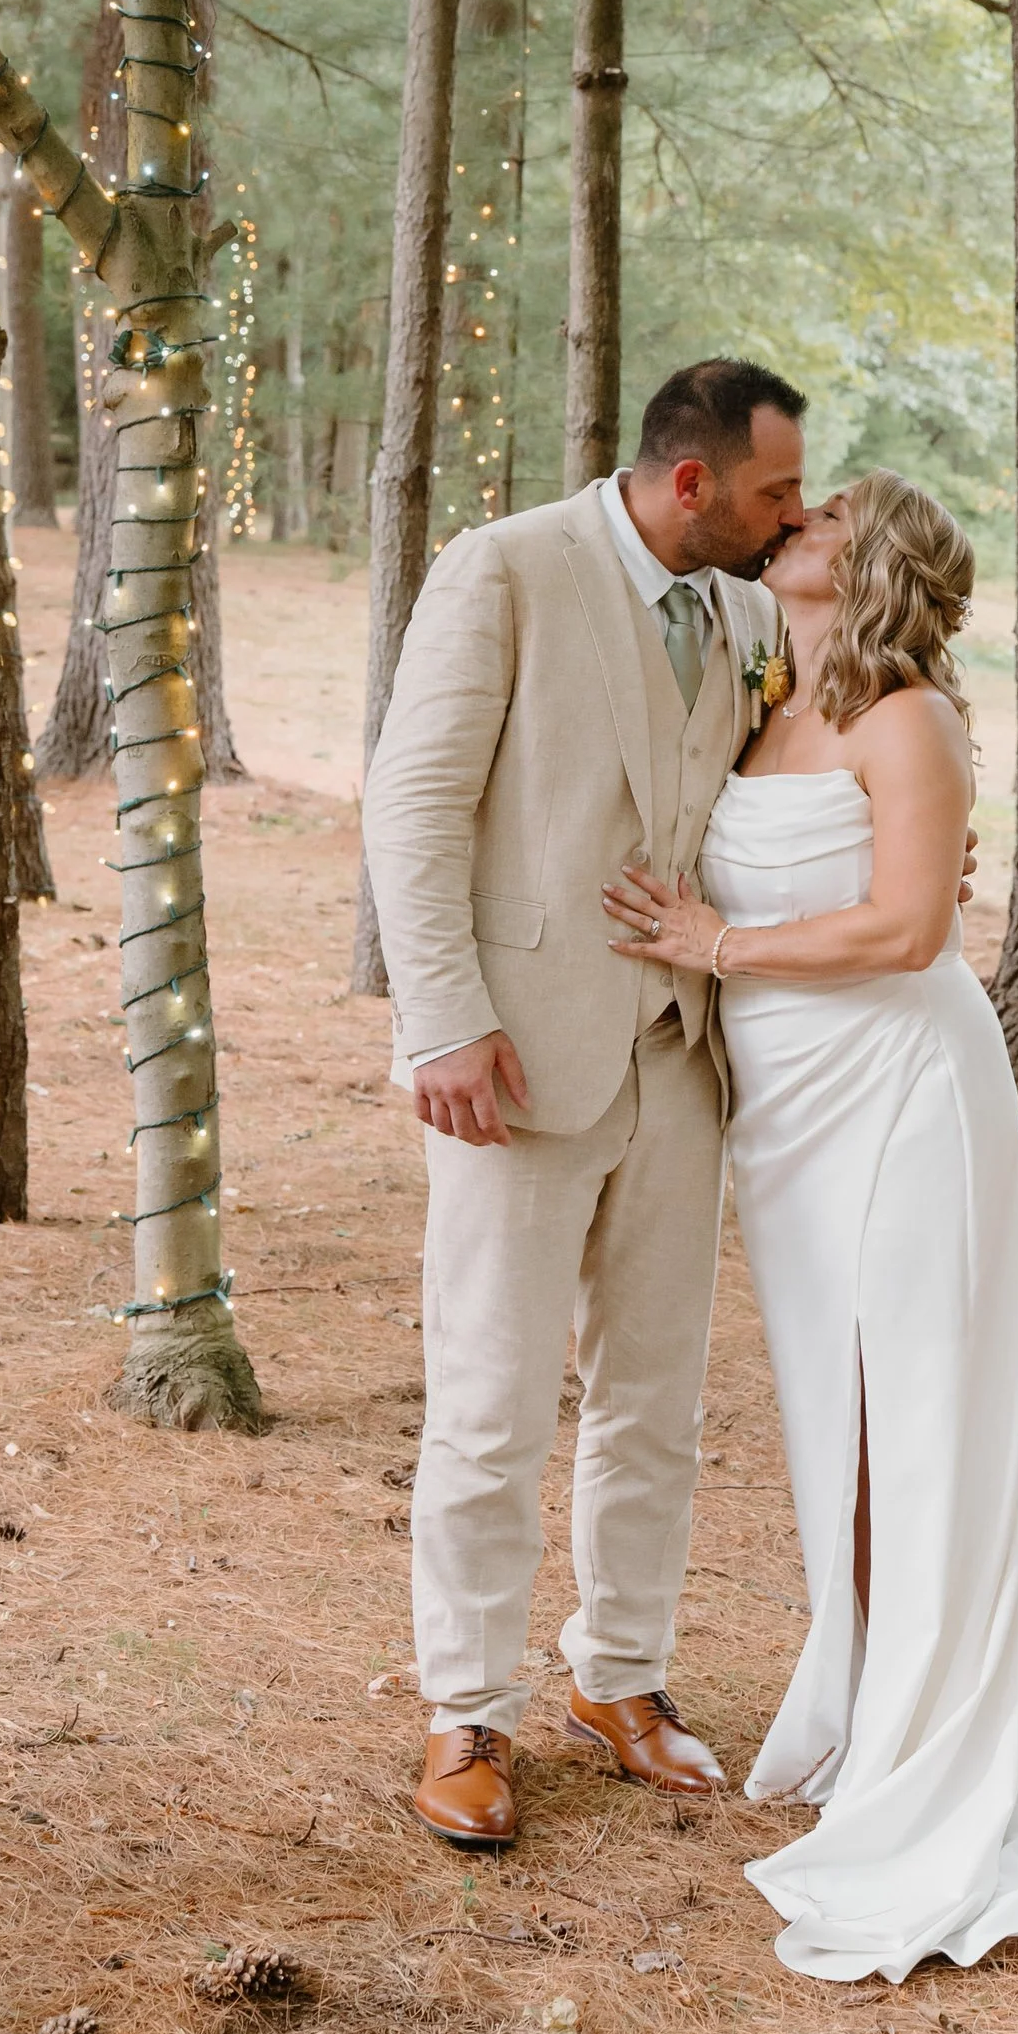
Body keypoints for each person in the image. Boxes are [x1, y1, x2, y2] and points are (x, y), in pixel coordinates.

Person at [602, 471, 1018, 1983]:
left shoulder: (908, 715)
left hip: (905, 1091)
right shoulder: (758, 694)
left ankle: (936, 1745)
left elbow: (913, 926)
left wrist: (717, 941)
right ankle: (872, 1690)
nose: (794, 518)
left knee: (913, 1418)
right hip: (788, 1116)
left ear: (873, 564)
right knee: (833, 1423)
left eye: (828, 512)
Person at [363, 357, 806, 1850]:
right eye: (772, 492)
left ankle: (619, 1677)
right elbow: (412, 801)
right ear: (694, 483)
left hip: (683, 1062)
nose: (789, 515)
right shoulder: (504, 568)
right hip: (515, 1058)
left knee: (657, 1400)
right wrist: (445, 1021)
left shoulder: (752, 618)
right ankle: (465, 1708)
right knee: (489, 1399)